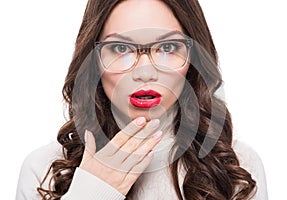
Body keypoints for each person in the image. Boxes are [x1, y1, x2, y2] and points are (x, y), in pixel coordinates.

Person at [16, 0, 268, 199]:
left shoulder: (237, 168)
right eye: (121, 48)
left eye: (168, 48)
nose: (145, 72)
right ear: (93, 61)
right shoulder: (44, 170)